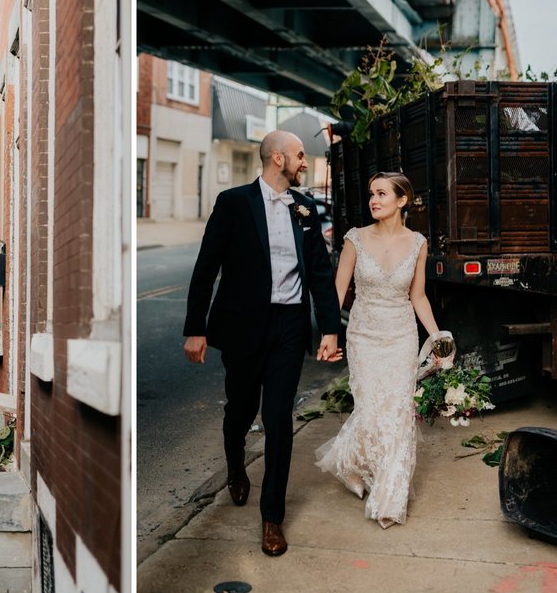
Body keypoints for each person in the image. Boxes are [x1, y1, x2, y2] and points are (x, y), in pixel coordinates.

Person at [183, 129, 342, 557]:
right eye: (299, 155)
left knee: (278, 419)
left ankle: (272, 517)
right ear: (277, 159)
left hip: (289, 327)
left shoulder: (305, 209)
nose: (304, 162)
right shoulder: (234, 203)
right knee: (240, 411)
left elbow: (321, 274)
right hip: (243, 327)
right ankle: (235, 462)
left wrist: (329, 329)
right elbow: (206, 267)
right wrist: (194, 328)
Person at [314, 171, 443, 529]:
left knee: (398, 413)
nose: (374, 199)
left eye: (382, 194)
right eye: (372, 193)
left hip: (401, 336)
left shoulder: (418, 243)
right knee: (371, 409)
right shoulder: (355, 239)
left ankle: (389, 496)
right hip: (364, 336)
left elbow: (417, 297)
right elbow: (338, 290)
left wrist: (437, 338)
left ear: (402, 201)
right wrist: (330, 334)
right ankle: (353, 463)